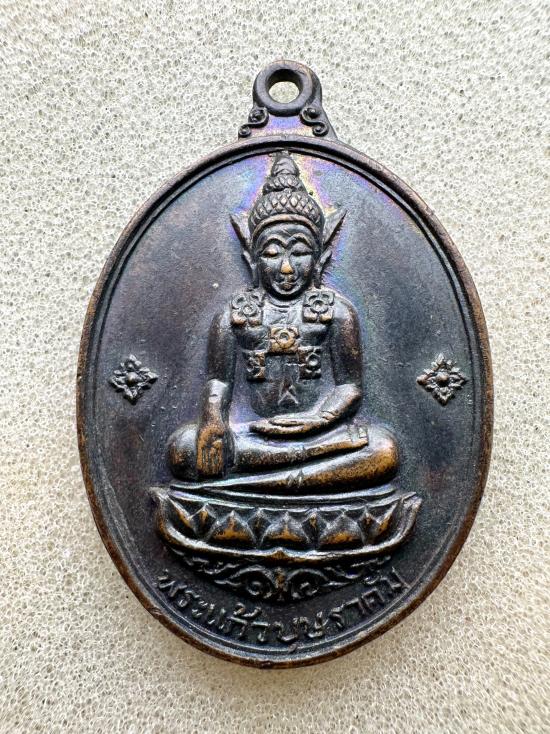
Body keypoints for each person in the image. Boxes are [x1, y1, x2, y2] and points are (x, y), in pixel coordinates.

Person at [168, 151, 398, 492]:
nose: (287, 268)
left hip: (322, 435)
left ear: (321, 258)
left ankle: (249, 486)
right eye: (273, 253)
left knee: (383, 449)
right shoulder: (234, 315)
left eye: (300, 252)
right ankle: (298, 480)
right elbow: (218, 381)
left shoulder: (337, 312)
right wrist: (214, 421)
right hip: (254, 435)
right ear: (252, 260)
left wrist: (317, 420)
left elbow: (350, 387)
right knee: (183, 448)